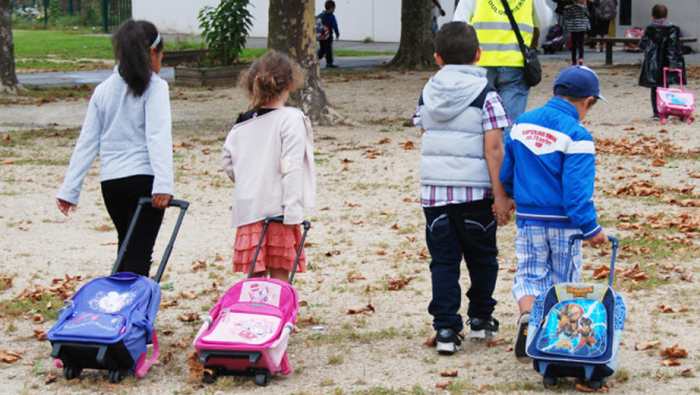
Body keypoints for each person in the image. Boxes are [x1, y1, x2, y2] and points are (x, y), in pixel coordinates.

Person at [413, 21, 514, 355]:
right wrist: (501, 195)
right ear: (479, 55)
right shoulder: (488, 96)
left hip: (435, 194)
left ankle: (445, 328)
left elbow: (427, 134)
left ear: (438, 58)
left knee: (443, 262)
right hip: (475, 196)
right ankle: (481, 318)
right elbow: (494, 149)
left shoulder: (427, 94)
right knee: (483, 259)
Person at [499, 66, 610, 363]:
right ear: (587, 101)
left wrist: (509, 195)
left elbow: (508, 169)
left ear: (554, 92)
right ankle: (555, 343)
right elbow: (576, 193)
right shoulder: (578, 135)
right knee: (564, 281)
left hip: (529, 219)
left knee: (529, 275)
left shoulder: (522, 124)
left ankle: (527, 318)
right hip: (565, 224)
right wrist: (591, 227)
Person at [56, 20, 173, 277]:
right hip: (144, 180)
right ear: (153, 52)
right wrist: (164, 184)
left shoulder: (103, 90)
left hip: (111, 184)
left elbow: (87, 141)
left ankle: (117, 309)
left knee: (126, 247)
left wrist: (69, 189)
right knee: (140, 251)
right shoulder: (156, 87)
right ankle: (131, 312)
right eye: (161, 56)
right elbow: (158, 136)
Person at [222, 51, 317, 282]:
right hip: (279, 209)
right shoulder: (290, 120)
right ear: (288, 84)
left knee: (254, 275)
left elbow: (228, 161)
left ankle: (254, 314)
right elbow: (290, 167)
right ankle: (277, 312)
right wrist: (293, 211)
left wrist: (249, 180)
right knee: (279, 275)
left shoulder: (242, 123)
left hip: (249, 210)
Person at [453, 0, 553, 144]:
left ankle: (483, 163)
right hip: (515, 63)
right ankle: (502, 165)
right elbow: (544, 20)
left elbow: (459, 23)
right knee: (508, 126)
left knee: (480, 123)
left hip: (482, 63)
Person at [638, 4, 686, 121]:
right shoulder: (672, 28)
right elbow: (672, 46)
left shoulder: (649, 29)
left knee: (655, 88)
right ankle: (665, 111)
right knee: (665, 86)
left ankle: (656, 112)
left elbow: (643, 44)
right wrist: (673, 63)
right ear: (667, 15)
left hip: (653, 62)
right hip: (666, 61)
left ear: (653, 15)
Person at [563, 0, 590, 66]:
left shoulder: (571, 7)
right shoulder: (584, 7)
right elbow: (588, 15)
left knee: (574, 45)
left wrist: (565, 10)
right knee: (580, 44)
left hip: (574, 27)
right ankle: (581, 58)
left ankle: (574, 61)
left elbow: (567, 16)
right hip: (582, 27)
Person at [316, 1, 340, 69]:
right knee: (328, 49)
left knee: (322, 49)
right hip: (328, 35)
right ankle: (329, 63)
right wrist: (337, 34)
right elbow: (335, 26)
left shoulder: (320, 15)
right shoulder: (331, 16)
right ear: (332, 8)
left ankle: (316, 58)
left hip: (321, 35)